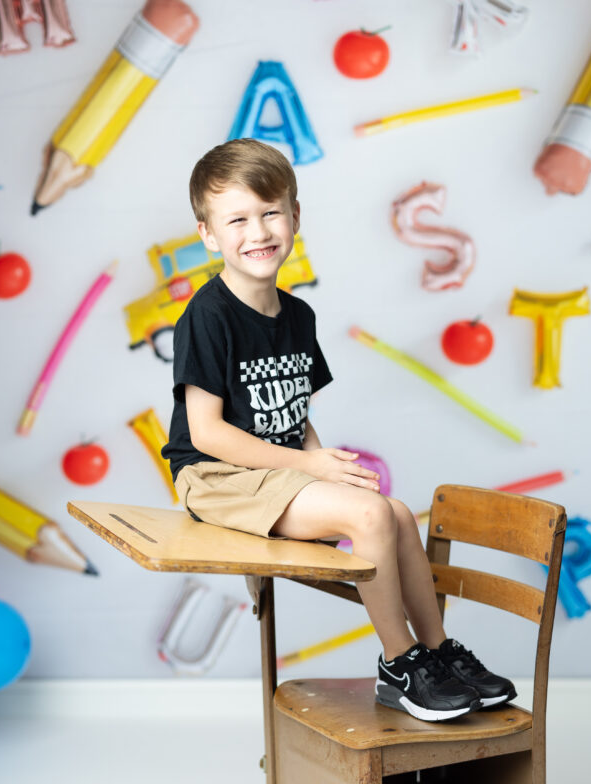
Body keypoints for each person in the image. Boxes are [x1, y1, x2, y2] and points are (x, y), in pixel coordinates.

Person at [162, 138, 516, 722]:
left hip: (275, 474)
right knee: (372, 514)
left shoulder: (298, 316)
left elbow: (295, 419)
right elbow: (205, 433)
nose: (259, 231)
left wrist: (332, 473)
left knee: (394, 512)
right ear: (208, 234)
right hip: (217, 476)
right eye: (238, 220)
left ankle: (437, 651)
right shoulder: (208, 314)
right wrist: (311, 470)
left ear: (295, 217)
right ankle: (398, 665)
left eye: (271, 212)